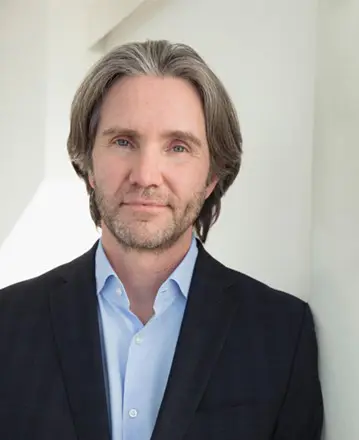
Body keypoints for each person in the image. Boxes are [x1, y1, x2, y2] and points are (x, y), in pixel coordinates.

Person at [0, 40, 323, 440]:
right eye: (123, 141)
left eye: (178, 147)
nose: (146, 175)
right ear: (88, 164)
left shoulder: (281, 334)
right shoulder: (8, 324)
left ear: (212, 176)